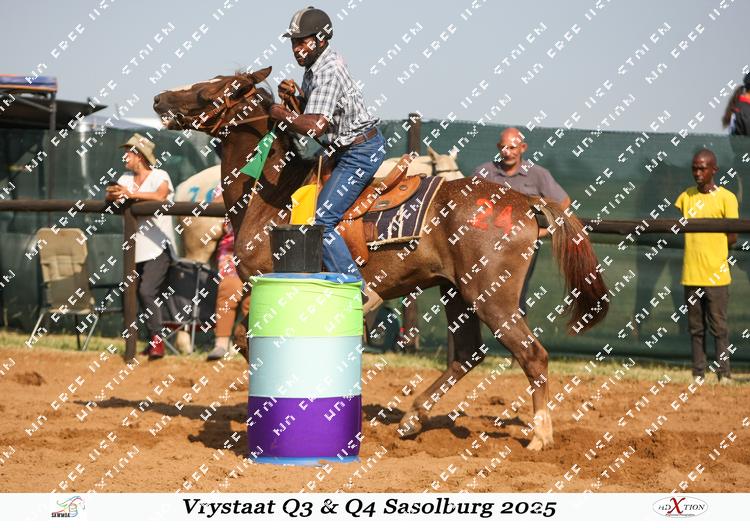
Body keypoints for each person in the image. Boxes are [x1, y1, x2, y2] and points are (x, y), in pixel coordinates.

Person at [269, 6, 386, 314]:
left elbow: (316, 126)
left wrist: (281, 113)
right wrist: (296, 98)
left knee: (319, 220)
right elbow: (317, 112)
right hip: (343, 149)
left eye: (302, 41)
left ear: (321, 39)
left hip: (359, 152)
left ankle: (359, 291)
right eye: (293, 42)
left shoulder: (327, 71)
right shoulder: (315, 67)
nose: (296, 48)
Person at [471, 127, 571, 312]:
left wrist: (544, 231)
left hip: (523, 246)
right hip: (487, 245)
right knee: (480, 296)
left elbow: (563, 202)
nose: (508, 152)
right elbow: (469, 207)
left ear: (523, 148)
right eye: (504, 147)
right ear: (498, 147)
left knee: (515, 298)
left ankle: (517, 325)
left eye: (513, 147)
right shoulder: (483, 172)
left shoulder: (539, 174)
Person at [106, 133, 176, 360]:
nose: (125, 156)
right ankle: (143, 343)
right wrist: (114, 194)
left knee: (146, 292)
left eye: (129, 152)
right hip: (134, 250)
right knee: (131, 294)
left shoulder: (160, 175)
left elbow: (161, 196)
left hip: (159, 248)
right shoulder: (125, 178)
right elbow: (113, 197)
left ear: (140, 156)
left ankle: (157, 342)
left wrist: (130, 194)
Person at [675, 149, 738, 384]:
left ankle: (724, 374)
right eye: (694, 168)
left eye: (702, 168)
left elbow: (733, 236)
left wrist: (713, 249)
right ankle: (698, 374)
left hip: (717, 275)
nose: (697, 173)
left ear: (714, 170)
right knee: (695, 328)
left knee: (719, 327)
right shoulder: (685, 197)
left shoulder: (727, 198)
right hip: (691, 274)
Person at [207, 199, 250, 361]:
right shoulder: (223, 187)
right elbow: (217, 202)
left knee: (252, 300)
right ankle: (221, 344)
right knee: (228, 291)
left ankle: (249, 343)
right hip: (231, 249)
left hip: (259, 248)